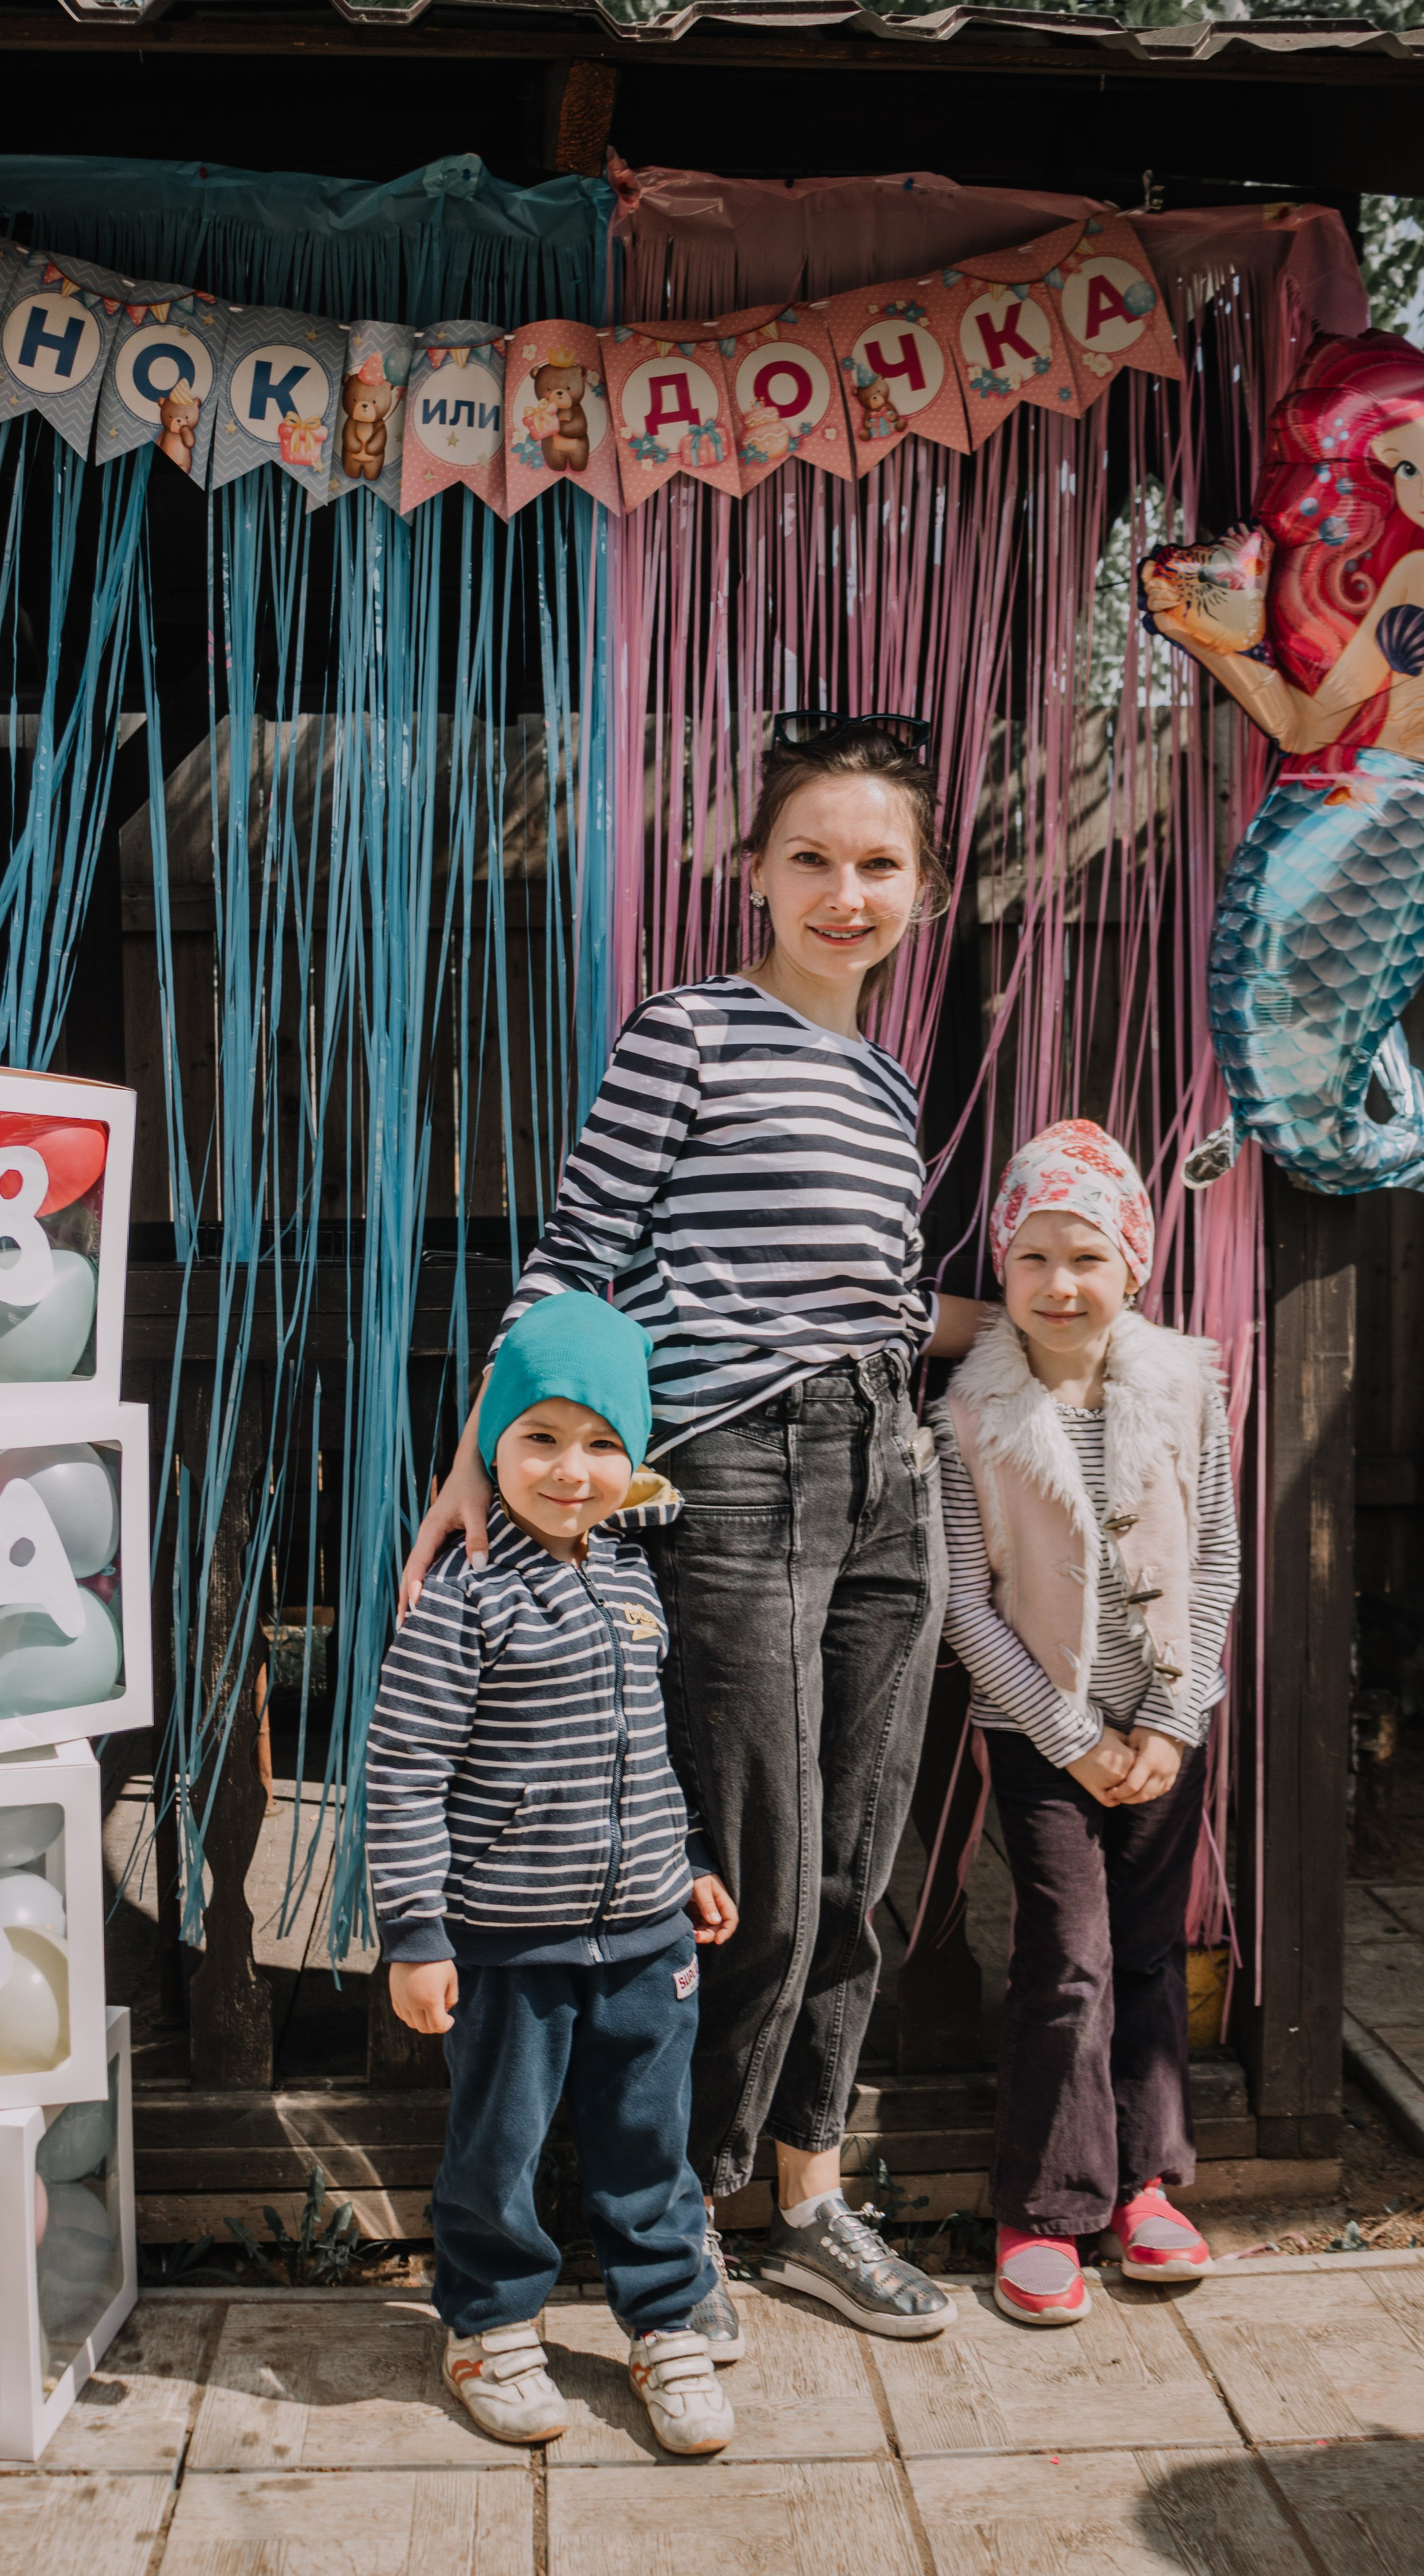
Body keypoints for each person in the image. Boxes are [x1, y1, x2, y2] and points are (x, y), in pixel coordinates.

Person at [400, 716, 989, 2347]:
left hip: (887, 1466)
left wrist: (1050, 1327)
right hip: (738, 1469)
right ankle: (679, 2221)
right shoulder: (690, 1034)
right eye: (811, 857)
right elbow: (577, 1253)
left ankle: (805, 2193)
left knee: (857, 1867)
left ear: (923, 891)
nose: (844, 891)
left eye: (878, 864)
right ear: (753, 875)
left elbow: (880, 1303)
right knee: (759, 1872)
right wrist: (478, 1448)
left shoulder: (885, 1082)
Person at [368, 1291, 741, 2456]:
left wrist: (686, 1861)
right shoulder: (462, 1592)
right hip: (508, 1946)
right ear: (492, 1444)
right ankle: (488, 2325)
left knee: (650, 2142)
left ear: (635, 1458)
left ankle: (667, 2321)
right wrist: (416, 1933)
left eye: (601, 1443)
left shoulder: (634, 1578)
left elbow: (653, 1747)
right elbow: (405, 1770)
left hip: (646, 1940)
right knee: (500, 2147)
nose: (571, 1471)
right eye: (540, 1437)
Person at [928, 1122, 1241, 2326]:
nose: (1061, 1285)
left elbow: (1214, 1557)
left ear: (1135, 1267)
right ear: (1002, 1269)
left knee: (1150, 1951)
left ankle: (1145, 2184)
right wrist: (1070, 1736)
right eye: (1034, 1260)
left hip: (1164, 1724)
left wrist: (1169, 1716)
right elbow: (967, 1600)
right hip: (1042, 1731)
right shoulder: (973, 1414)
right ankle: (1044, 2204)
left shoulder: (1184, 1391)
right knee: (1065, 1958)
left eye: (1088, 1258)